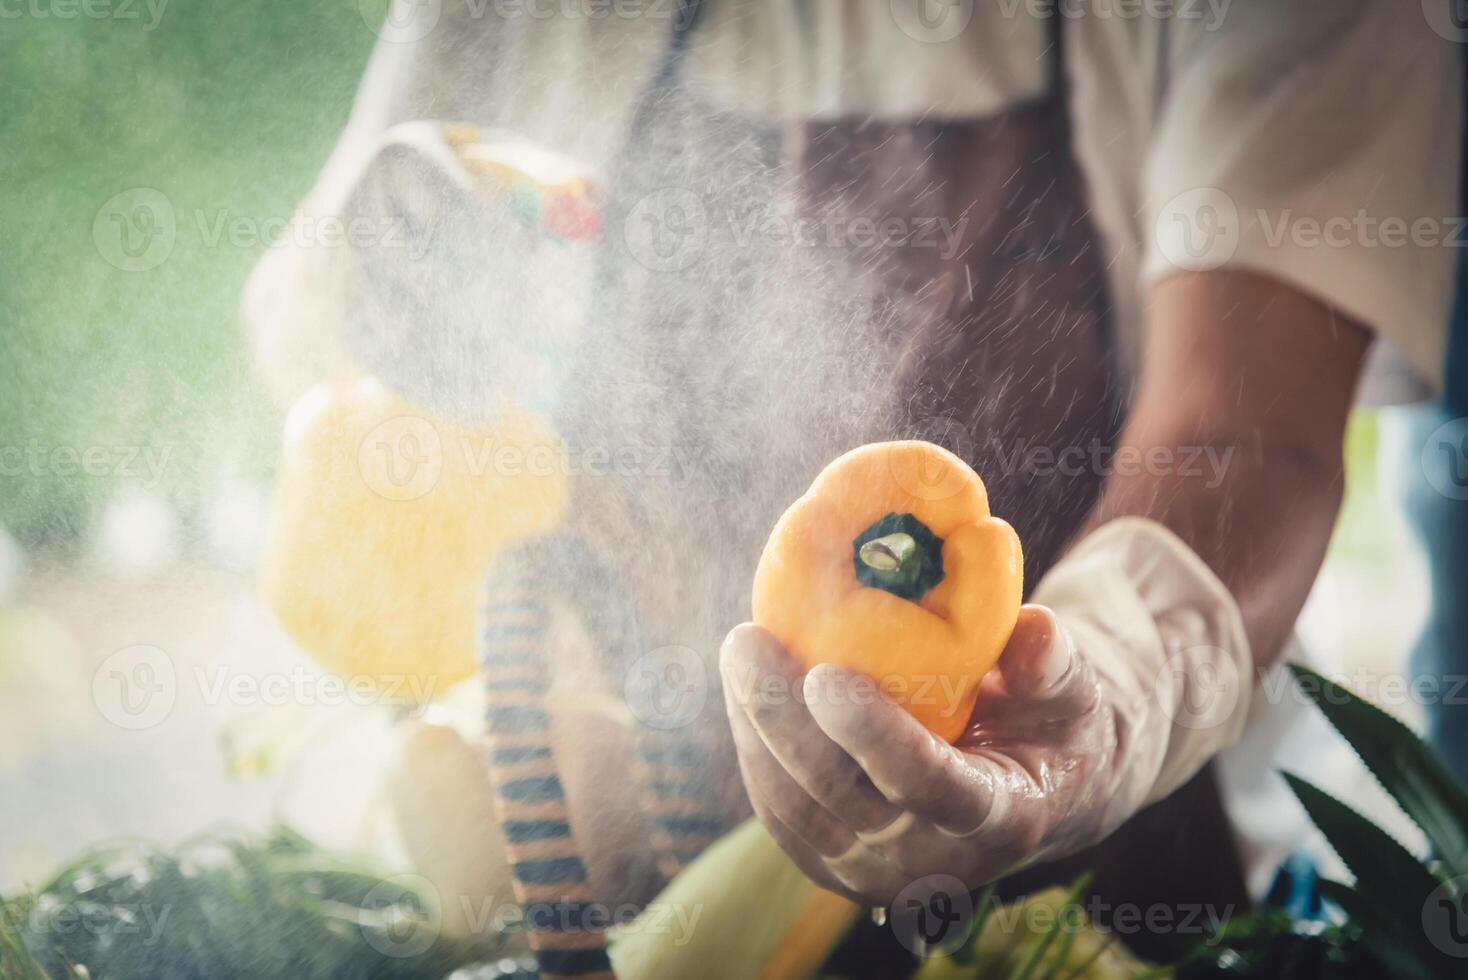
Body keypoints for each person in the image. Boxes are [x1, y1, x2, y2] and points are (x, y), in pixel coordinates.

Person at [245, 1, 1462, 971]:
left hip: (1111, 914)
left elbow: (1242, 438)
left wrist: (1113, 694)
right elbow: (329, 311)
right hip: (605, 899)